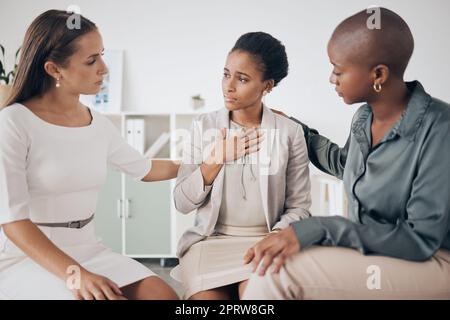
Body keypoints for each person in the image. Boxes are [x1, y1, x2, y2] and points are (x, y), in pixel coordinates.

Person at [242, 8, 450, 300]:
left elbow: (420, 240)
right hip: (379, 251)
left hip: (434, 259)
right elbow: (346, 165)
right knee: (273, 262)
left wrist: (320, 228)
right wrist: (294, 127)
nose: (332, 79)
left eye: (338, 70)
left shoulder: (441, 128)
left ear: (378, 74)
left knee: (277, 274)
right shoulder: (365, 118)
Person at [0, 10, 184, 300]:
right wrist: (76, 275)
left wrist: (204, 162)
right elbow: (14, 223)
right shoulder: (13, 123)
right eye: (91, 60)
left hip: (88, 248)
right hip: (29, 257)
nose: (104, 68)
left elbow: (145, 169)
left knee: (163, 296)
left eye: (101, 55)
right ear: (54, 70)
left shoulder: (96, 122)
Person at [172, 32, 312, 300]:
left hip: (265, 242)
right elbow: (181, 202)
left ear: (267, 85)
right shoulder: (204, 127)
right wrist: (215, 159)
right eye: (226, 74)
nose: (229, 86)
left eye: (242, 79)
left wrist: (277, 236)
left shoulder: (290, 132)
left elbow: (299, 207)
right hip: (209, 243)